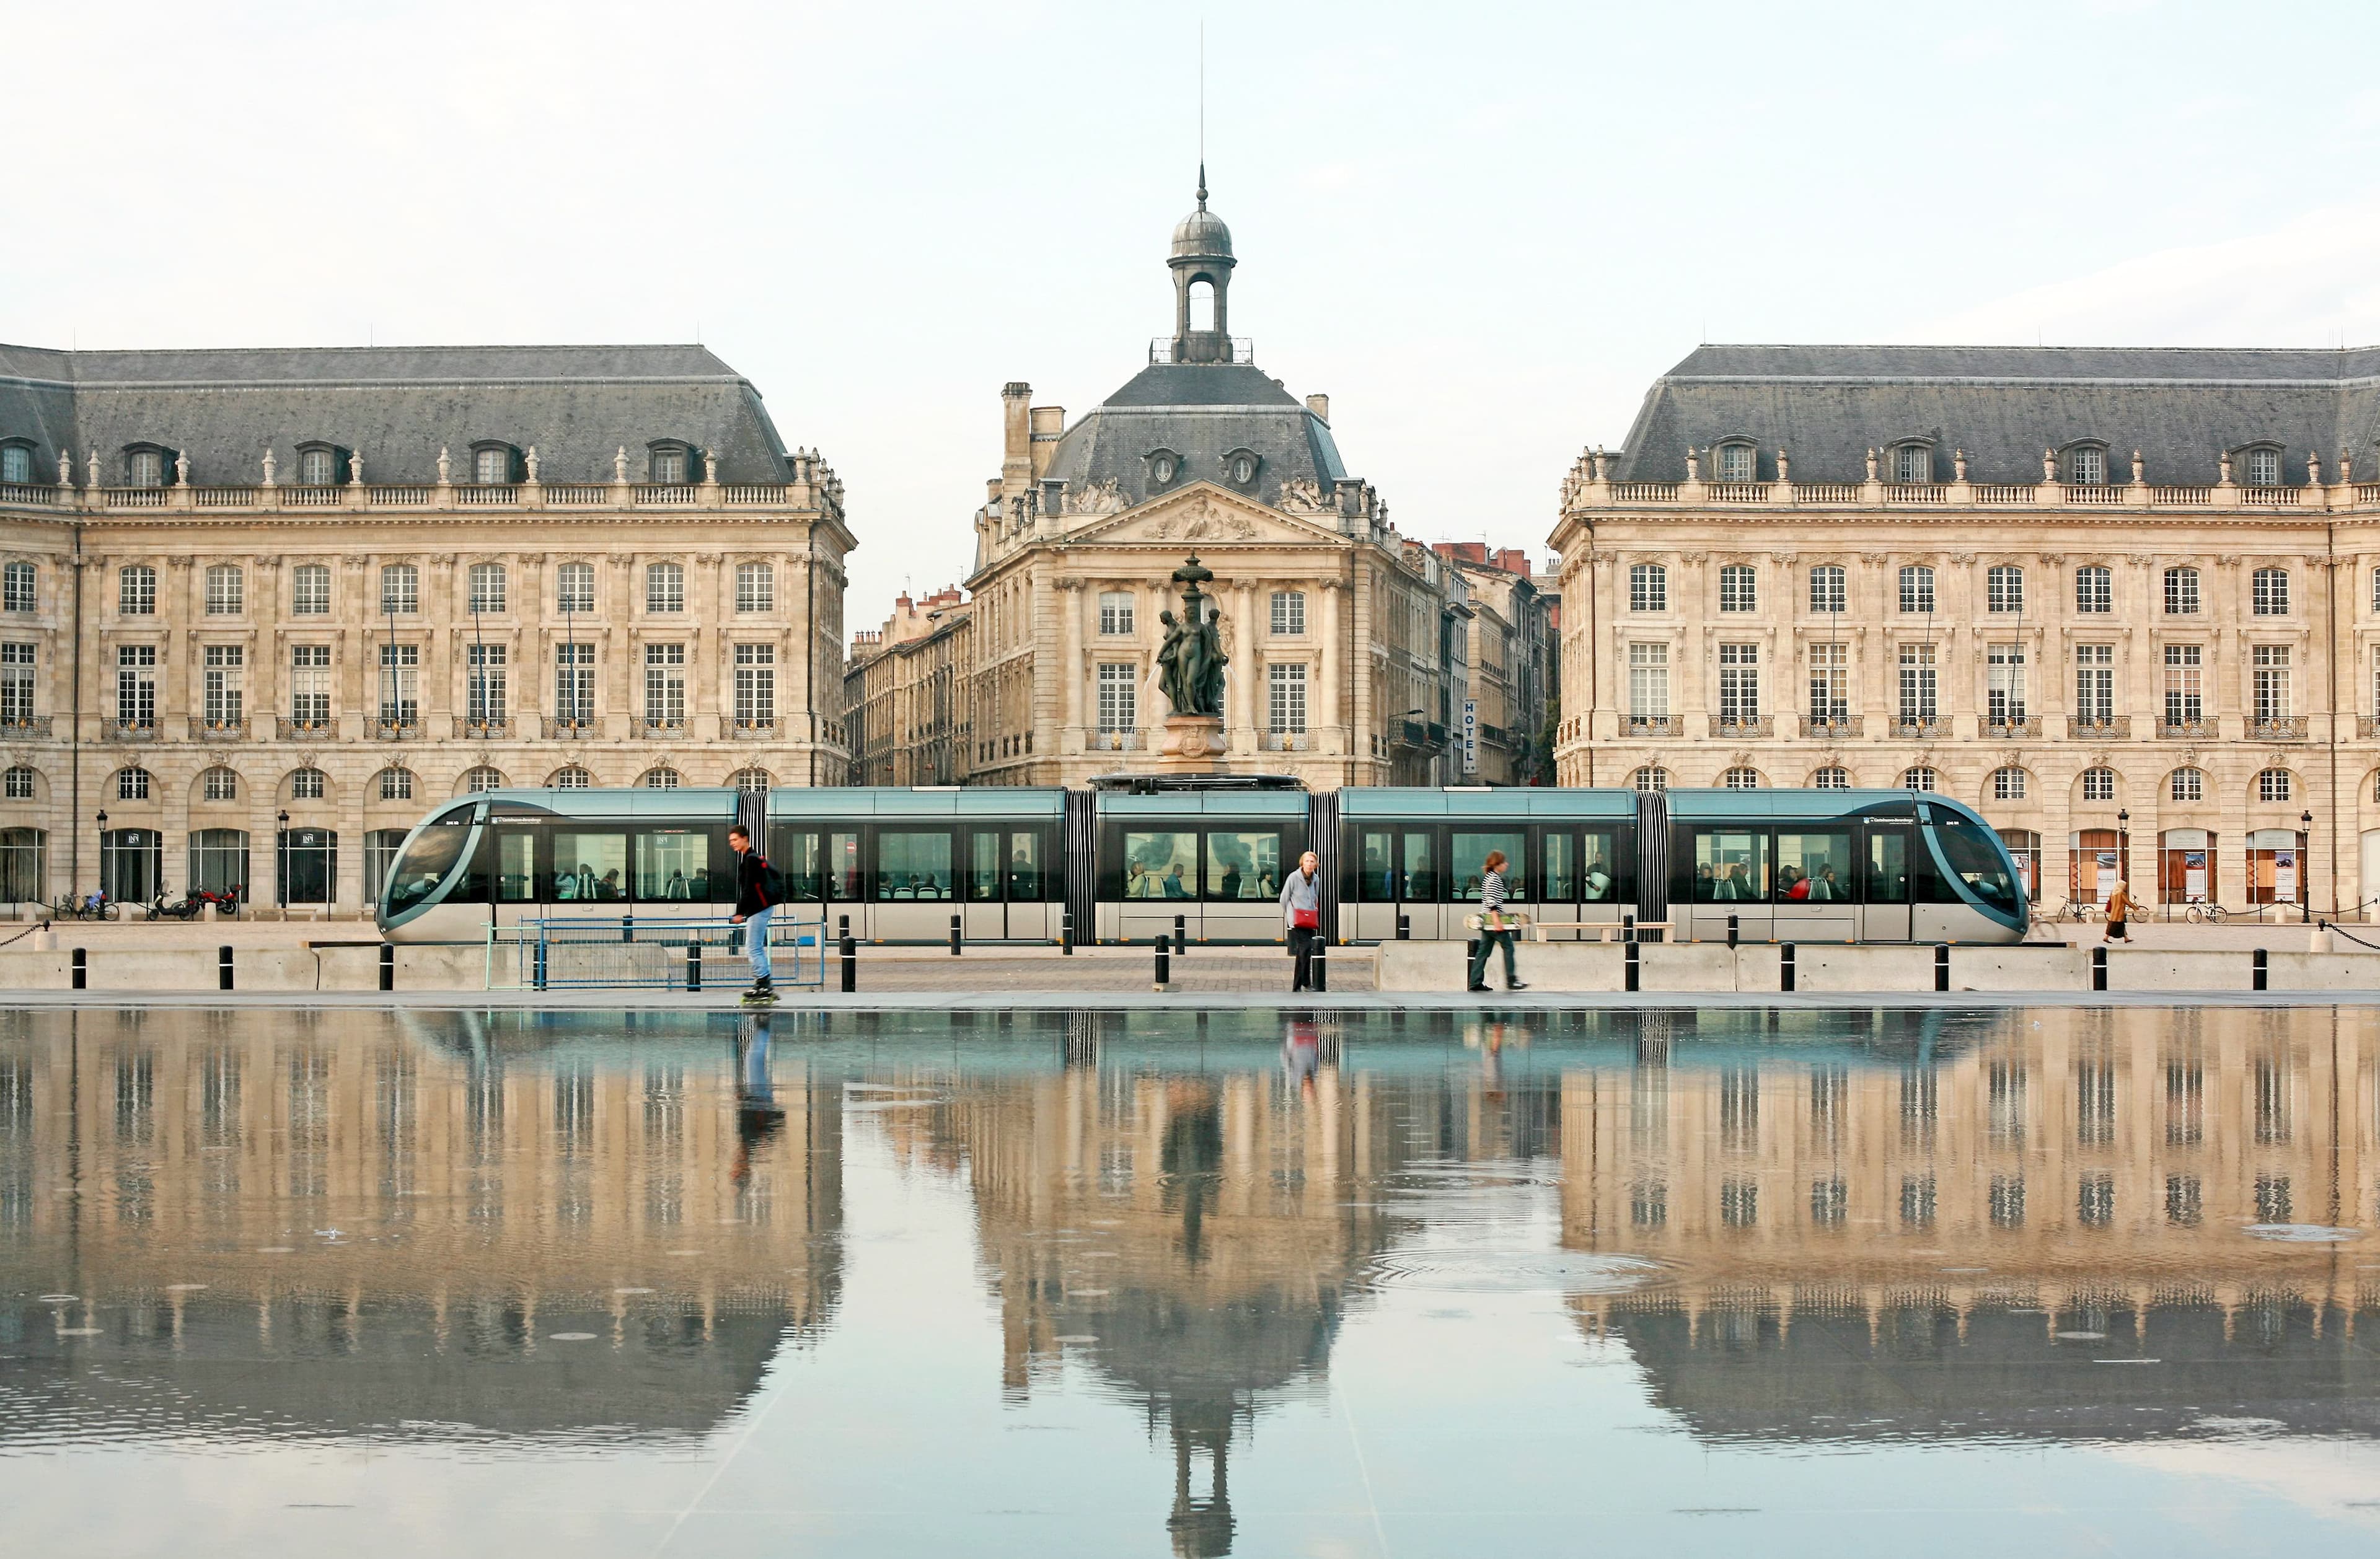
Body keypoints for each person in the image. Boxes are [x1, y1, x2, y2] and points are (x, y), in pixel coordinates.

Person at [1466, 849, 1528, 993]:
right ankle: (1512, 980)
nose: (1506, 864)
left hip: (1487, 920)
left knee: (1483, 951)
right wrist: (1497, 921)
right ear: (1497, 864)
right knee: (1508, 946)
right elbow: (1491, 900)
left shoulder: (1489, 877)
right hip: (1492, 920)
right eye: (1504, 862)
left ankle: (1475, 982)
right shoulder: (1494, 878)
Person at [728, 824, 776, 1001]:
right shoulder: (751, 858)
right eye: (731, 841)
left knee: (753, 947)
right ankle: (761, 982)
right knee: (755, 946)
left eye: (735, 840)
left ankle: (764, 983)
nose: (732, 843)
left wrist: (739, 913)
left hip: (758, 909)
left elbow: (748, 889)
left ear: (744, 838)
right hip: (760, 908)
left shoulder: (750, 860)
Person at [1279, 850, 1323, 991]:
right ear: (1302, 863)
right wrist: (1290, 915)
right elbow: (1284, 898)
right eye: (1307, 861)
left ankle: (1296, 986)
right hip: (1297, 921)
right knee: (1306, 948)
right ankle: (1306, 982)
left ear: (1316, 864)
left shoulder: (1316, 879)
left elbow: (1315, 898)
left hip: (1309, 920)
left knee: (1302, 953)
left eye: (1312, 861)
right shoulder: (1294, 877)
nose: (1309, 864)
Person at [2104, 877, 2132, 942]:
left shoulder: (2113, 892)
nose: (2125, 887)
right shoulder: (2121, 893)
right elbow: (2127, 902)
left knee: (2121, 926)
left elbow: (2111, 901)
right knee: (2114, 926)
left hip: (2114, 912)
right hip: (2119, 913)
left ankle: (2126, 938)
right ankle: (2106, 937)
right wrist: (2135, 907)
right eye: (2125, 886)